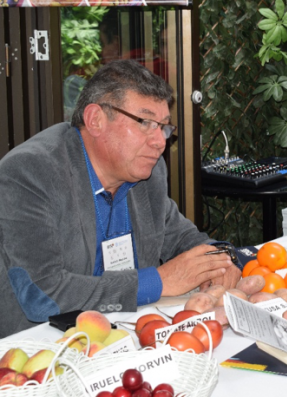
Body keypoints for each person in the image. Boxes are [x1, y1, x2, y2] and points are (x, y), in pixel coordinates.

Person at [0, 60, 241, 337]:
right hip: (42, 343)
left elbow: (180, 237)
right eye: (145, 122)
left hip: (129, 334)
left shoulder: (148, 172)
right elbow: (43, 293)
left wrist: (221, 258)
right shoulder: (30, 173)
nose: (160, 142)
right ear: (95, 119)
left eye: (163, 127)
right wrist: (157, 282)